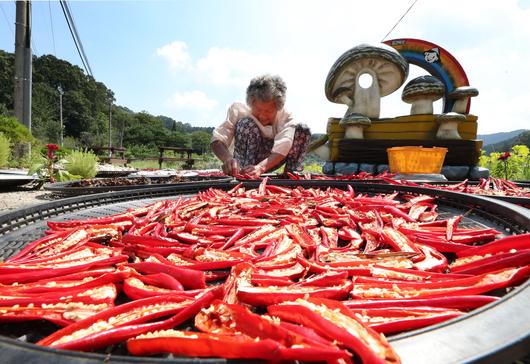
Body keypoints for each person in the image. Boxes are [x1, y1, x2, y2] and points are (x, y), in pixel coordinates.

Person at [210, 74, 311, 178]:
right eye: (258, 110)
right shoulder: (239, 109)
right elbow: (217, 140)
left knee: (302, 129)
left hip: (272, 160)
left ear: (278, 107)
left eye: (268, 111)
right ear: (250, 103)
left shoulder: (286, 117)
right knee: (246, 124)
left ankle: (291, 174)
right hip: (244, 160)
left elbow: (284, 145)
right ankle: (245, 173)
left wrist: (261, 167)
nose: (262, 116)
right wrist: (227, 159)